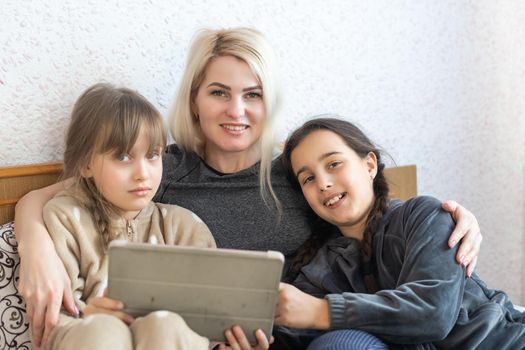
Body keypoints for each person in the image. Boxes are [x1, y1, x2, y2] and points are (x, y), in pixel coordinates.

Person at [15, 28, 482, 350]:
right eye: (219, 92)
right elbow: (58, 194)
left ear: (268, 102)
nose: (236, 110)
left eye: (252, 94)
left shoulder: (296, 172)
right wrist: (36, 250)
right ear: (195, 100)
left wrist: (452, 218)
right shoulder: (160, 168)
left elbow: (362, 210)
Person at [276, 117, 525, 349]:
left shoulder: (423, 216)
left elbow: (432, 313)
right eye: (308, 178)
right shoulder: (320, 267)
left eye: (334, 164)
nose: (323, 183)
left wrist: (321, 311)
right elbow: (292, 331)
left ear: (370, 165)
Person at [40, 83, 216, 350]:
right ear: (86, 163)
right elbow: (54, 318)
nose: (142, 173)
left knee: (163, 324)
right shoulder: (65, 218)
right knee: (103, 330)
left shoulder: (184, 226)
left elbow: (211, 316)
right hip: (89, 337)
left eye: (153, 155)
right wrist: (90, 316)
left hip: (168, 339)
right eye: (123, 157)